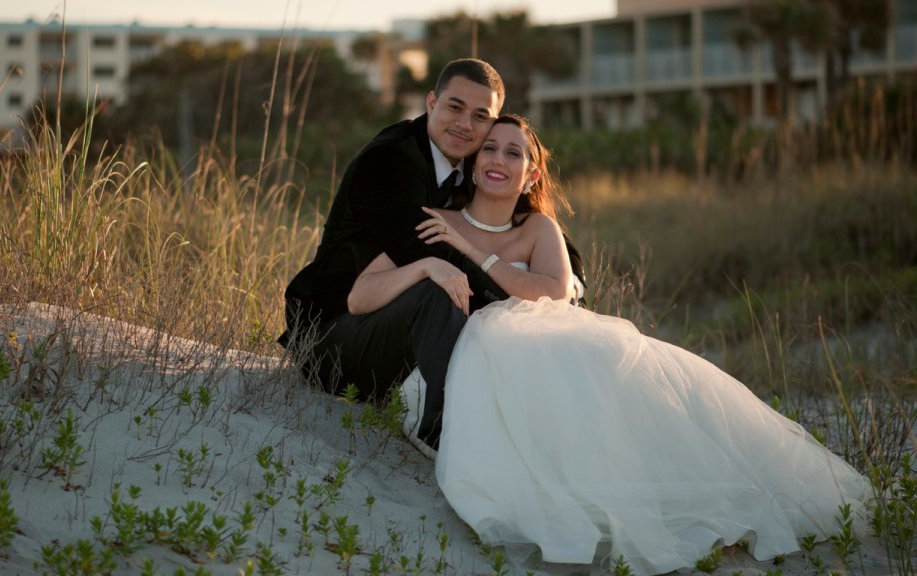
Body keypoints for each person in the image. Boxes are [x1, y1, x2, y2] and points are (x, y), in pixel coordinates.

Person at [347, 114, 872, 575]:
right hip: (481, 348)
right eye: (490, 147)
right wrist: (449, 241)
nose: (499, 160)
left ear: (532, 173)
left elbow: (552, 292)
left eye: (515, 153)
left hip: (550, 333)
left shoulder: (538, 228)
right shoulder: (438, 218)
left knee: (609, 373)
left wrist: (472, 252)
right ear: (473, 158)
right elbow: (368, 289)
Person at [279, 59, 509, 450]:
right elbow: (427, 251)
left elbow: (524, 207)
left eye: (480, 116)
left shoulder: (471, 159)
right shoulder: (389, 161)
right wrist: (517, 301)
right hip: (330, 339)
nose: (465, 124)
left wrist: (565, 276)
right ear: (431, 101)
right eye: (454, 107)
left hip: (392, 330)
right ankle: (441, 432)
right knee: (441, 288)